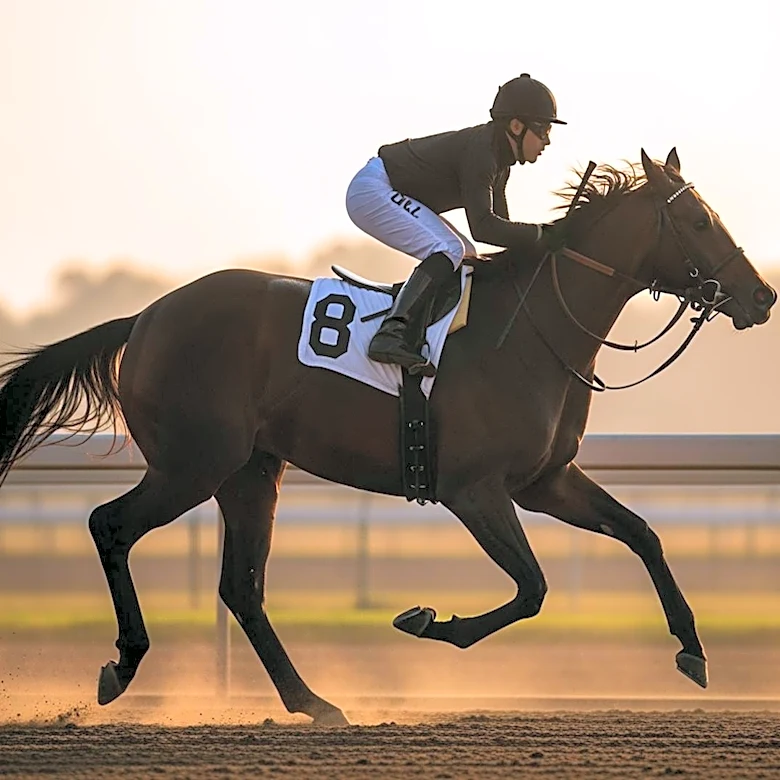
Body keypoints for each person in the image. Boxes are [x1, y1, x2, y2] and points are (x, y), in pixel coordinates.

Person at [345, 73, 566, 377]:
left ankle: (425, 332)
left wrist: (543, 242)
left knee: (466, 254)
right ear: (516, 126)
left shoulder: (499, 161)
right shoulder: (482, 153)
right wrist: (543, 234)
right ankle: (392, 332)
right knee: (450, 249)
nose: (547, 141)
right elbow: (484, 227)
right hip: (374, 189)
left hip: (389, 189)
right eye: (543, 130)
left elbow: (502, 230)